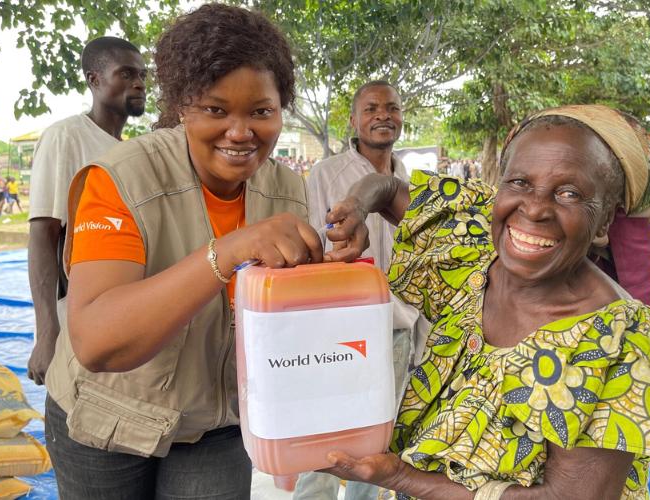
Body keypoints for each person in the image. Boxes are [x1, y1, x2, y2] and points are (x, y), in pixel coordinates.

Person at [321, 105, 650, 499]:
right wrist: (356, 209)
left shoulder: (617, 343)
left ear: (604, 221)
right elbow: (386, 188)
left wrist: (400, 478)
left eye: (569, 193)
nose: (534, 208)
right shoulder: (476, 245)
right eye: (519, 182)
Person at [43, 5, 321, 498]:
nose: (240, 132)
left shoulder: (286, 190)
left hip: (215, 426)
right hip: (108, 420)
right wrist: (229, 250)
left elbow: (285, 322)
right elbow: (95, 342)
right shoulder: (122, 179)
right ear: (182, 107)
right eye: (216, 110)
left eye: (261, 111)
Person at [297, 80, 427, 500]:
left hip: (397, 326)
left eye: (391, 107)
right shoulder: (326, 174)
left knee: (374, 442)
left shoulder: (410, 179)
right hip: (339, 327)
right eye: (371, 108)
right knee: (323, 437)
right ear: (354, 120)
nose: (383, 115)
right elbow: (311, 248)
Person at [26, 36, 147, 386]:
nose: (139, 83)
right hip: (77, 322)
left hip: (120, 317)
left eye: (142, 74)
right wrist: (47, 332)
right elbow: (43, 233)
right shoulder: (66, 137)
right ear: (94, 80)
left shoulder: (133, 151)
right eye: (126, 74)